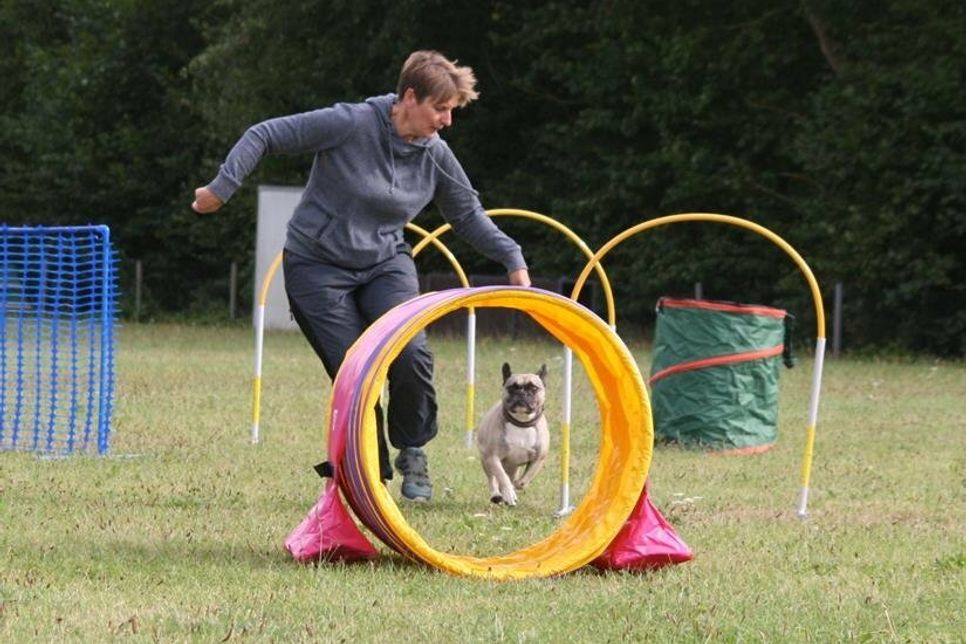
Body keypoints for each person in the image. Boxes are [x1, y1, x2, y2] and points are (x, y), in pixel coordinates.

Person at [192, 50, 531, 502]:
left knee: (411, 353)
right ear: (410, 97)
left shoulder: (436, 155)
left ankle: (412, 449)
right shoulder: (350, 123)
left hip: (384, 262)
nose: (448, 120)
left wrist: (513, 259)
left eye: (452, 111)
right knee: (357, 370)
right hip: (316, 265)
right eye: (441, 108)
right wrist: (221, 187)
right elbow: (265, 134)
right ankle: (368, 472)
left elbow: (468, 215)